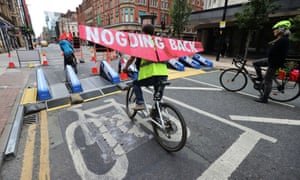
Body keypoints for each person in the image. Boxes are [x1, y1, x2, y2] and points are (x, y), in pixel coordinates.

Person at [123, 24, 168, 110]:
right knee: (157, 97)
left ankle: (140, 103)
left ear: (144, 33)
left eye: (141, 32)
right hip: (163, 75)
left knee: (135, 83)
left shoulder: (142, 43)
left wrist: (125, 68)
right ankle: (157, 115)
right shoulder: (159, 42)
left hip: (151, 75)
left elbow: (132, 58)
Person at [253, 20, 291, 103]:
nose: (274, 31)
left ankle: (264, 98)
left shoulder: (283, 40)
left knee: (267, 80)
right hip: (271, 60)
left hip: (274, 63)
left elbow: (274, 52)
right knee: (255, 63)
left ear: (281, 30)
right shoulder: (281, 39)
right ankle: (259, 78)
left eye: (276, 29)